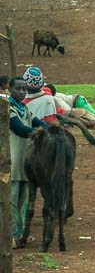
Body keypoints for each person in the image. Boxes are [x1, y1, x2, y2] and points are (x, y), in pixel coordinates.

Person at [8, 77, 46, 246]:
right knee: (12, 200)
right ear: (10, 90)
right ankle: (13, 234)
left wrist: (53, 127)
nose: (22, 92)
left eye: (24, 89)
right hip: (13, 160)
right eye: (18, 88)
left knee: (22, 201)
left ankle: (20, 232)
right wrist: (40, 132)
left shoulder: (24, 108)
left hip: (24, 162)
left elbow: (38, 122)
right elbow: (20, 129)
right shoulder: (8, 108)